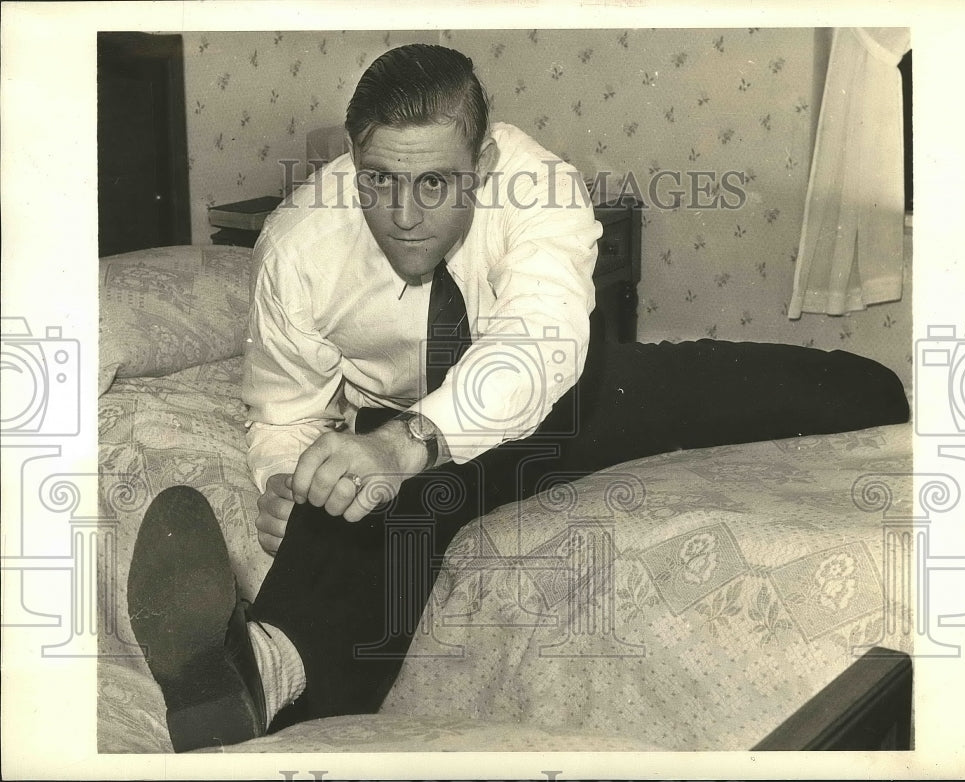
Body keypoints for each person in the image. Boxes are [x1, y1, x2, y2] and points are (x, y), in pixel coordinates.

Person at [126, 44, 910, 752]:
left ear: (485, 156)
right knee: (392, 502)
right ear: (352, 160)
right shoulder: (298, 247)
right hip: (399, 435)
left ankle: (870, 387)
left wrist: (408, 441)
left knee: (852, 389)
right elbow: (284, 410)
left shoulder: (541, 185)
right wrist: (293, 480)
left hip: (568, 392)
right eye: (380, 182)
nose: (404, 215)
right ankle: (263, 671)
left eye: (435, 181)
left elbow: (536, 344)